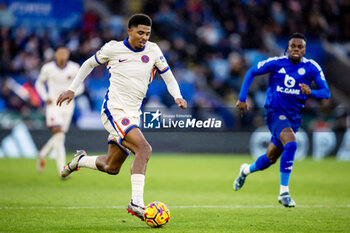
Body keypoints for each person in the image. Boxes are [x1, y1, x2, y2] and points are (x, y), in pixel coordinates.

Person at [56, 14, 187, 220]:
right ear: (130, 31)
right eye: (140, 33)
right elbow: (88, 64)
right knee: (144, 149)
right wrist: (72, 89)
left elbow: (168, 77)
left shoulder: (153, 51)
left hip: (133, 115)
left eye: (148, 34)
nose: (144, 37)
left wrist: (177, 96)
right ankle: (137, 203)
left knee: (111, 166)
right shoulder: (113, 48)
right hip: (113, 110)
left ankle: (80, 161)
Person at [233, 33, 330, 207]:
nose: (296, 49)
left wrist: (311, 92)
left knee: (270, 159)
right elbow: (251, 71)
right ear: (288, 47)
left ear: (304, 50)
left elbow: (326, 92)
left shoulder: (312, 67)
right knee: (292, 144)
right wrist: (242, 98)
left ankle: (245, 170)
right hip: (274, 113)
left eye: (300, 47)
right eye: (293, 46)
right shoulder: (277, 63)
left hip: (294, 118)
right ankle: (283, 192)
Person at [35, 46, 84, 176]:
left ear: (68, 55)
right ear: (55, 54)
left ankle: (43, 153)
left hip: (68, 106)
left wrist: (73, 93)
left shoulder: (74, 68)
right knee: (59, 135)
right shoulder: (48, 68)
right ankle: (63, 170)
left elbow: (81, 86)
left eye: (65, 53)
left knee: (59, 136)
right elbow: (38, 83)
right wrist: (45, 97)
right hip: (53, 105)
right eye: (60, 52)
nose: (62, 55)